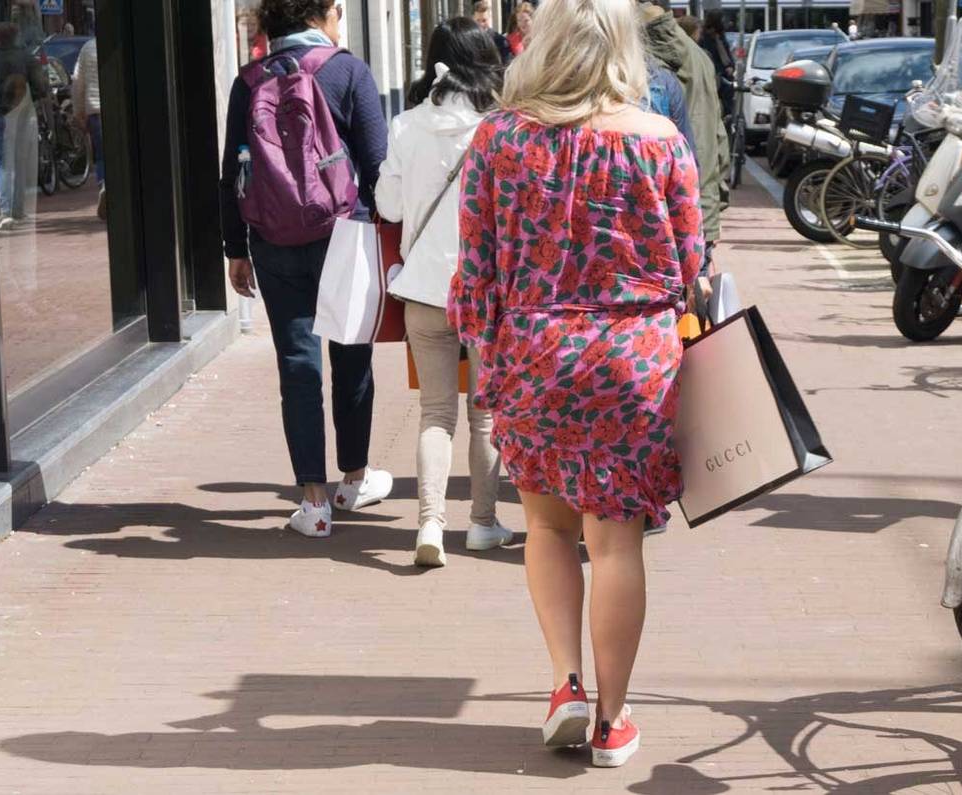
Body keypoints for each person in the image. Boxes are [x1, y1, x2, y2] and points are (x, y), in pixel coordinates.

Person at [447, 0, 702, 768]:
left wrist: (488, 352)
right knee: (617, 541)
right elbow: (690, 266)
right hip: (633, 360)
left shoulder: (498, 138)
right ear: (623, 46)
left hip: (535, 352)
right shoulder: (659, 142)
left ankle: (565, 684)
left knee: (548, 528)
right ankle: (614, 719)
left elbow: (475, 271)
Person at [219, 0, 393, 538]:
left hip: (274, 239)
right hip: (344, 232)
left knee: (298, 363)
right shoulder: (348, 70)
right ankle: (355, 478)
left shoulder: (249, 81)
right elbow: (380, 162)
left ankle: (313, 501)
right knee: (352, 356)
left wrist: (236, 248)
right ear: (324, 14)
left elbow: (232, 172)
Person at [376, 18, 514, 568]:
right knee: (485, 415)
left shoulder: (406, 124)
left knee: (435, 412)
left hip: (424, 290)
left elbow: (388, 207)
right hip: (485, 292)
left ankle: (430, 524)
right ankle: (482, 524)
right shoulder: (501, 126)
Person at [639, 0, 728, 278]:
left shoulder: (642, 66)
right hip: (700, 202)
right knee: (695, 311)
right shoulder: (698, 55)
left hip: (666, 216)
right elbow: (718, 137)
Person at [0, 21, 47, 231]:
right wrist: (36, 98)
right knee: (19, 160)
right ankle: (18, 210)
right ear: (15, 37)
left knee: (3, 163)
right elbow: (41, 84)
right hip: (20, 114)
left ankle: (7, 212)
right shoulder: (26, 58)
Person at [72, 38, 107, 221]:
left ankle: (104, 184)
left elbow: (78, 81)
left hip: (95, 110)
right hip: (121, 109)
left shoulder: (87, 48)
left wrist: (78, 111)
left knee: (101, 155)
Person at [699, 11, 735, 119]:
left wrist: (730, 66)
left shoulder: (720, 37)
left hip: (723, 72)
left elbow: (726, 53)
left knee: (728, 91)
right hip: (714, 72)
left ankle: (727, 114)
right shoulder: (704, 38)